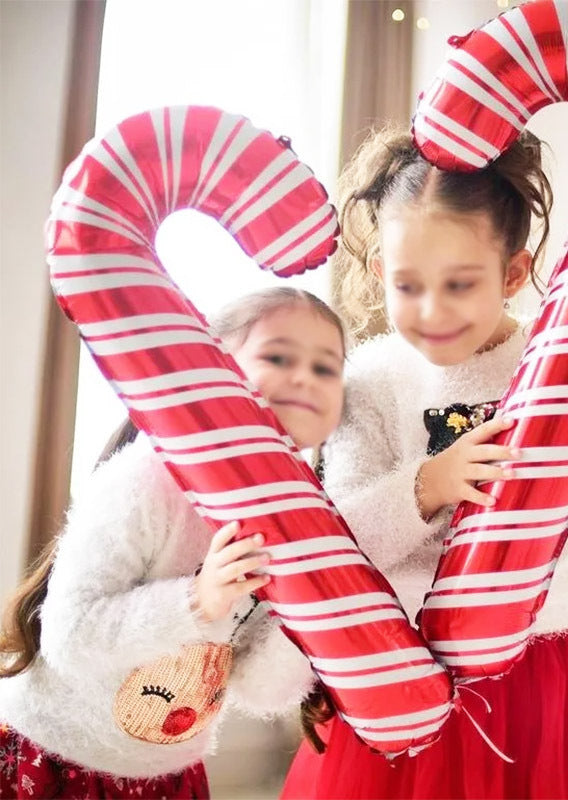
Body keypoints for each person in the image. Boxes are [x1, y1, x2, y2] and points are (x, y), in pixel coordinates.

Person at [281, 127, 568, 799]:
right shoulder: (369, 382)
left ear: (513, 273)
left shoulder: (566, 365)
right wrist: (430, 484)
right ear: (377, 273)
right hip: (414, 677)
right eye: (407, 285)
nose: (432, 311)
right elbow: (341, 541)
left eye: (460, 284)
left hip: (560, 668)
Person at [0, 287, 345, 799]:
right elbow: (69, 633)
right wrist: (197, 600)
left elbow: (253, 680)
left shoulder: (298, 517)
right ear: (210, 368)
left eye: (327, 368)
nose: (305, 378)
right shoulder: (144, 481)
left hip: (167, 773)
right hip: (53, 756)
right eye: (278, 356)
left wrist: (311, 642)